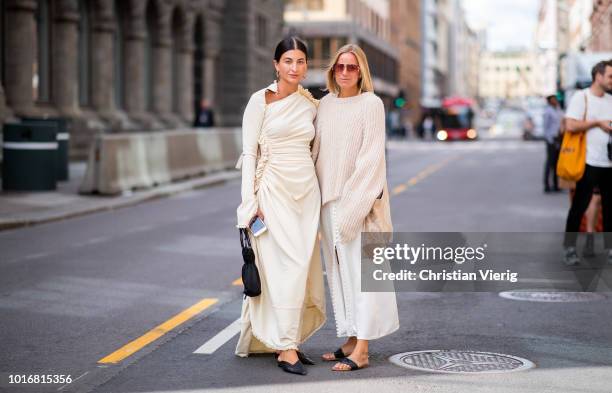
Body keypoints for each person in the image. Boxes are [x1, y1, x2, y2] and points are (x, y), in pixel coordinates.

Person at [234, 36, 326, 376]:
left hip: (306, 193)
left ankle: (292, 341)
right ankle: (285, 347)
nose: (294, 67)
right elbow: (250, 154)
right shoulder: (259, 101)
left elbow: (320, 151)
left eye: (301, 61)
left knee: (299, 269)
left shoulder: (311, 104)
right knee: (281, 269)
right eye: (288, 60)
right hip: (272, 192)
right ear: (276, 64)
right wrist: (249, 203)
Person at [312, 44, 399, 372]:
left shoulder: (371, 104)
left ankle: (361, 349)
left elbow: (372, 159)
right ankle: (350, 338)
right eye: (339, 67)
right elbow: (317, 153)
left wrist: (353, 206)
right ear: (332, 70)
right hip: (327, 202)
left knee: (364, 276)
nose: (345, 72)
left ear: (361, 71)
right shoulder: (325, 105)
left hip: (358, 205)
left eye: (351, 67)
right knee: (339, 276)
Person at [562, 59, 612, 266]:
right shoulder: (581, 97)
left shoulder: (610, 100)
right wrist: (597, 122)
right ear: (598, 76)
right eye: (610, 76)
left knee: (610, 209)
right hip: (588, 162)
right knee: (579, 206)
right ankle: (570, 247)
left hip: (609, 163)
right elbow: (570, 125)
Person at [542, 95, 563, 192]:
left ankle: (556, 185)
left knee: (557, 163)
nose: (555, 101)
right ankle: (546, 185)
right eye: (553, 99)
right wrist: (549, 140)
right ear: (549, 101)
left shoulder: (558, 109)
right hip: (551, 139)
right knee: (549, 163)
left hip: (559, 139)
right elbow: (545, 127)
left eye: (555, 99)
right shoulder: (548, 111)